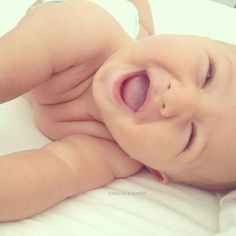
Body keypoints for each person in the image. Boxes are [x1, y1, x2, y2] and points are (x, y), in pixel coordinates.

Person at [0, 0, 236, 222]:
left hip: (134, 37)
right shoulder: (82, 33)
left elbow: (49, 175)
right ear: (196, 37)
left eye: (190, 136)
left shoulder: (117, 153)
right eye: (208, 75)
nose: (176, 100)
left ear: (157, 169)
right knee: (139, 28)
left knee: (141, 34)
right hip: (81, 16)